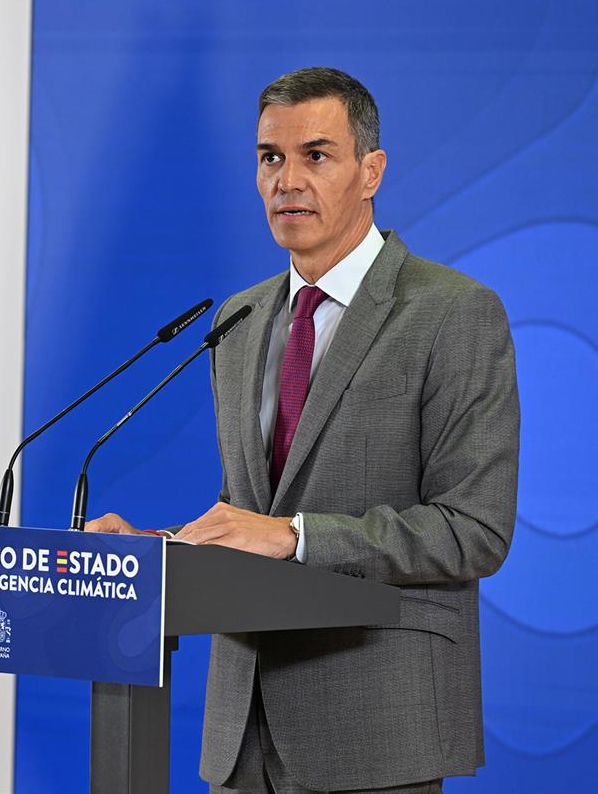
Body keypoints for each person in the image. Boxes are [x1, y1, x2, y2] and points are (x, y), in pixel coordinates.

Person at [85, 67, 519, 794]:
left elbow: (474, 530)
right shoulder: (240, 319)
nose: (287, 181)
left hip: (376, 728)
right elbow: (250, 514)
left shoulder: (453, 313)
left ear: (371, 171)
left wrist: (297, 536)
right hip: (241, 732)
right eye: (270, 158)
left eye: (316, 155)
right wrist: (160, 551)